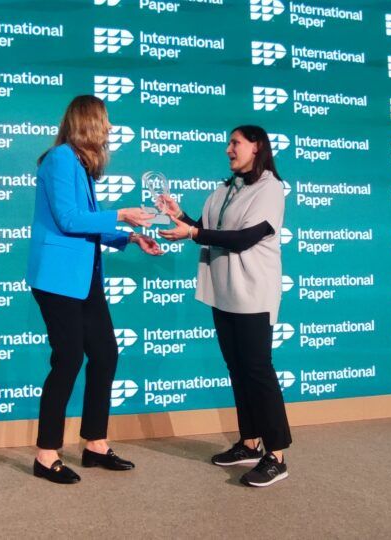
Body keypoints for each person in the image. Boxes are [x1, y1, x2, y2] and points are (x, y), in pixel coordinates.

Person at [26, 95, 162, 484]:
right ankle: (46, 454)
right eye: (105, 121)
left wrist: (129, 237)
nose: (110, 128)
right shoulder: (59, 159)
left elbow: (86, 223)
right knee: (68, 359)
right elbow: (69, 220)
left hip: (83, 278)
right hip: (57, 279)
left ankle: (95, 445)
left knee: (104, 354)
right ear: (88, 122)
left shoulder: (80, 165)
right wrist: (121, 214)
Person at [158, 125, 291, 488]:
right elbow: (207, 229)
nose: (228, 149)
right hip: (223, 292)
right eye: (229, 143)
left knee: (258, 370)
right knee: (238, 369)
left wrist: (193, 232)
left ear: (256, 147)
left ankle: (277, 455)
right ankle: (249, 442)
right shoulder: (225, 188)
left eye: (235, 143)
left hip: (252, 293)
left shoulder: (270, 189)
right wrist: (181, 216)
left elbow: (245, 238)